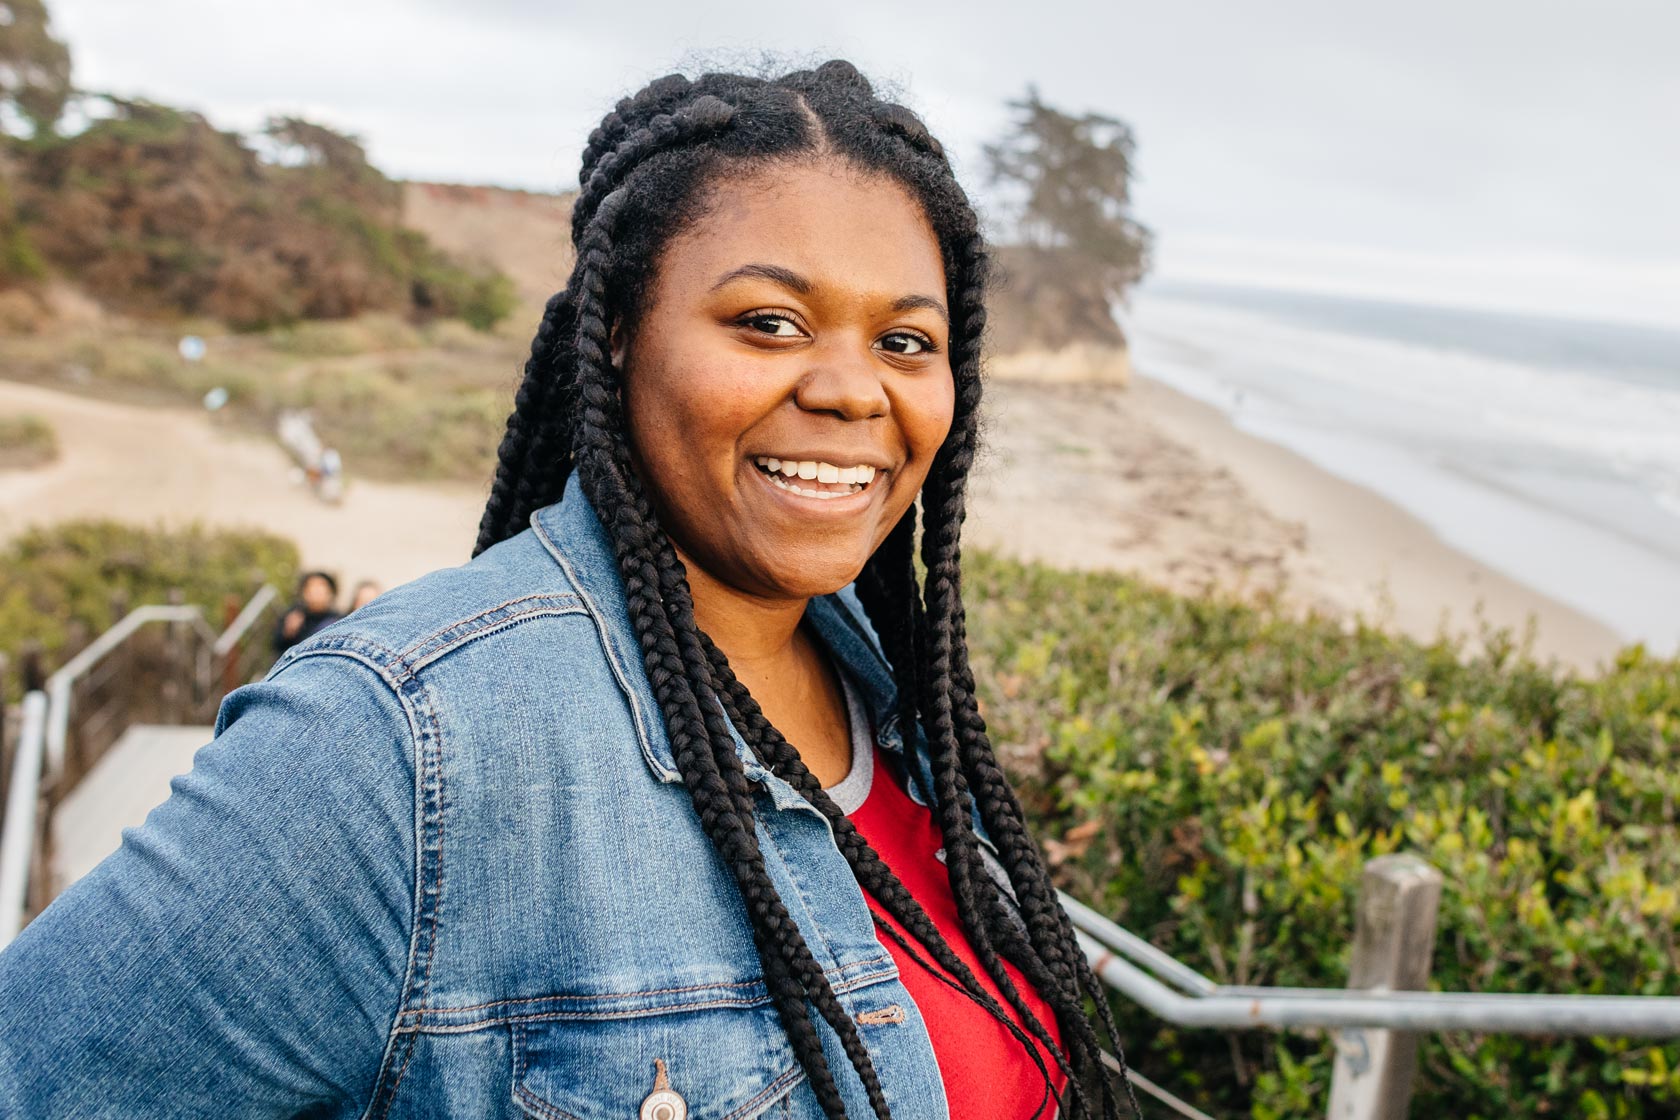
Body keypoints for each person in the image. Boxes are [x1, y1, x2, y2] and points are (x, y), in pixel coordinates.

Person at [0, 63, 1140, 1119]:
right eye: (766, 322)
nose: (852, 390)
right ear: (613, 341)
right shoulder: (400, 745)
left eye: (904, 340)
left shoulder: (897, 691)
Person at [270, 569, 343, 656]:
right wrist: (288, 632)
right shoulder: (294, 615)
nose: (315, 592)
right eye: (310, 587)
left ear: (330, 593)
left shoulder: (338, 620)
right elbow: (276, 645)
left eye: (321, 587)